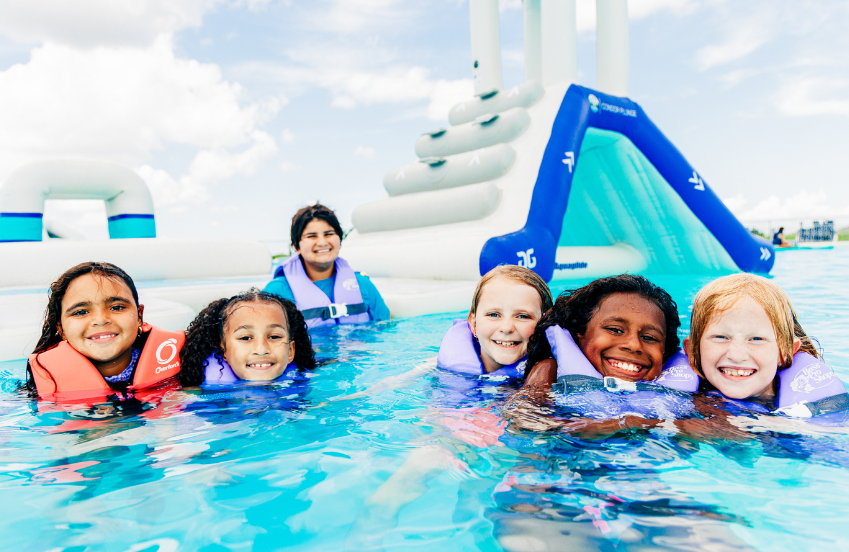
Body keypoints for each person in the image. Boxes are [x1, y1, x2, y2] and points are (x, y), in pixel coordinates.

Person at [684, 273, 846, 413]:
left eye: (756, 339)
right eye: (720, 337)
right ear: (693, 350)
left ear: (785, 351)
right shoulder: (681, 399)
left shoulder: (809, 409)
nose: (736, 355)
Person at [26, 262, 185, 401]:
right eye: (81, 312)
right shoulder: (40, 387)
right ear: (61, 329)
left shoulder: (186, 363)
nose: (101, 320)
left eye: (117, 308)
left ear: (139, 316)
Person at [522, 274, 682, 389]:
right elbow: (525, 425)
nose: (634, 345)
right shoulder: (549, 375)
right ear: (580, 331)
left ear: (665, 351)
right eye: (615, 330)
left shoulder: (682, 390)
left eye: (649, 337)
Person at [264, 204, 389, 328]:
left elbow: (385, 328)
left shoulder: (362, 284)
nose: (322, 242)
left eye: (329, 234)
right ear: (296, 246)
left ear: (340, 240)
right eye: (311, 236)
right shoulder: (277, 291)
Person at [179, 289, 316, 386]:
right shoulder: (199, 393)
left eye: (274, 336)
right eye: (245, 338)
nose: (261, 349)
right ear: (224, 349)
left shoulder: (307, 384)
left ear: (291, 350)